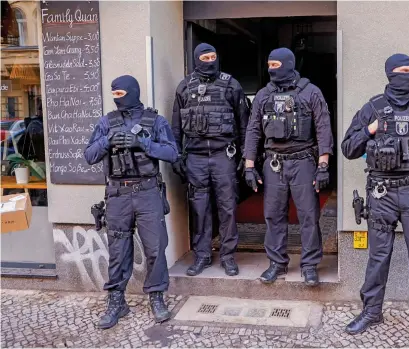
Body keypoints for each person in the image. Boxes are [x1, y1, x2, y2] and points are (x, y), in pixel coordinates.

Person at [341, 54, 409, 348]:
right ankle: (372, 312)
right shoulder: (373, 108)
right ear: (390, 73)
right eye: (403, 70)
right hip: (381, 194)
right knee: (378, 257)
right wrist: (370, 130)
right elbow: (348, 148)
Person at [84, 75, 178, 329]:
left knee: (156, 248)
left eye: (121, 94)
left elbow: (172, 152)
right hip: (117, 195)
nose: (117, 99)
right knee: (118, 251)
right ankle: (117, 302)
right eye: (113, 95)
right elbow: (89, 155)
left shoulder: (155, 121)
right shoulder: (106, 122)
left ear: (133, 92)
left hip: (148, 192)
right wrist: (108, 141)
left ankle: (157, 297)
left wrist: (142, 143)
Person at [243, 48, 334, 286]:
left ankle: (310, 265)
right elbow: (253, 129)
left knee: (308, 215)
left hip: (303, 160)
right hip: (273, 163)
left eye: (277, 64)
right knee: (273, 215)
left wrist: (323, 164)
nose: (272, 69)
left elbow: (323, 127)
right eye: (269, 64)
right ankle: (276, 263)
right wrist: (249, 165)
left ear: (288, 64)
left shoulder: (311, 92)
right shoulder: (264, 95)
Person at [171, 43, 250, 277]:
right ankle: (202, 256)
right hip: (195, 157)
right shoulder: (184, 87)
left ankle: (228, 256)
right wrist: (176, 156)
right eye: (205, 57)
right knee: (199, 209)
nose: (210, 60)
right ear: (197, 59)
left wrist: (245, 155)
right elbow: (176, 127)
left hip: (223, 155)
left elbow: (245, 123)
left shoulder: (231, 85)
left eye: (213, 56)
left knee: (228, 207)